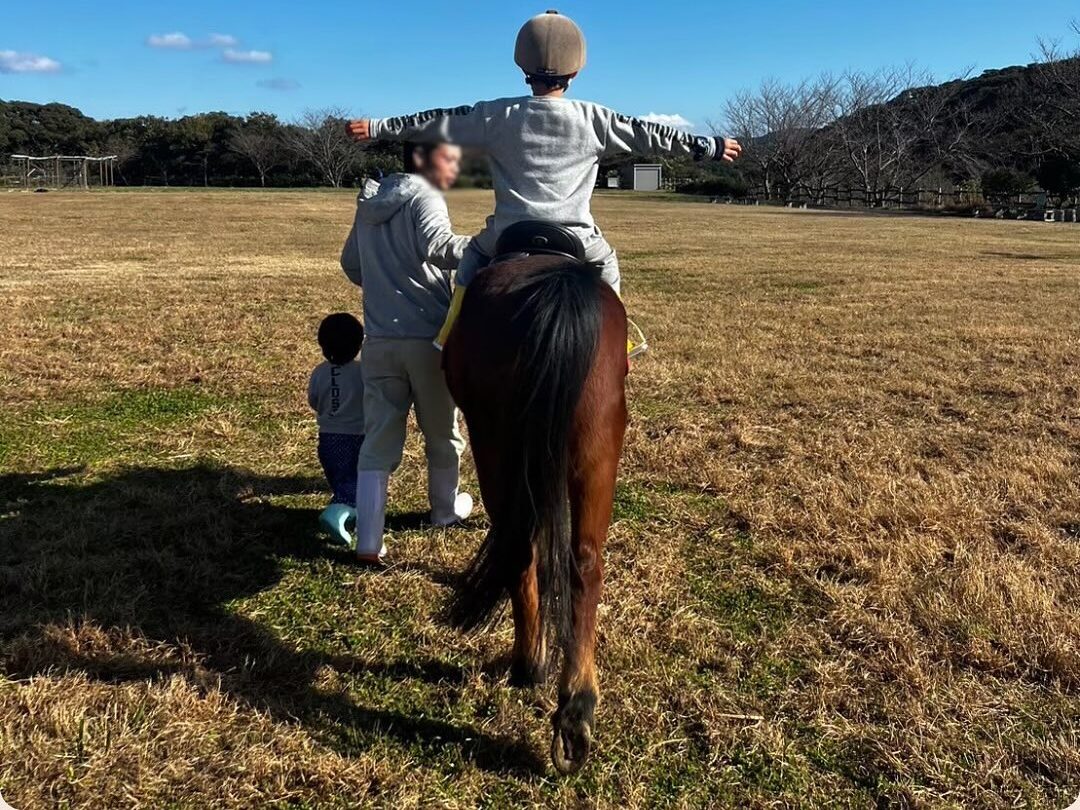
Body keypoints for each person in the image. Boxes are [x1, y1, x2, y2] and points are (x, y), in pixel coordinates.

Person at [345, 10, 742, 348]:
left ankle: (451, 333)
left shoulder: (495, 115)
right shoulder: (597, 119)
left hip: (505, 236)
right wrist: (708, 146)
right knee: (608, 263)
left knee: (469, 265)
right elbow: (654, 135)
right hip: (580, 240)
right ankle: (619, 343)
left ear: (522, 66)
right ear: (576, 70)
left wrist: (378, 126)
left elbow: (435, 123)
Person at [340, 140, 474, 565]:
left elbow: (351, 264)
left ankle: (368, 541)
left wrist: (386, 286)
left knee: (378, 440)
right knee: (442, 433)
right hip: (428, 339)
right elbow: (441, 248)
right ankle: (444, 512)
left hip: (378, 340)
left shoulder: (369, 201)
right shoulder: (426, 195)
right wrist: (494, 242)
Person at [308, 312, 366, 548]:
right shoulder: (363, 372)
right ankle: (337, 513)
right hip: (357, 437)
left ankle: (347, 512)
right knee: (357, 483)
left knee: (341, 479)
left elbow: (314, 400)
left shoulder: (319, 372)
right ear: (359, 344)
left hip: (328, 438)